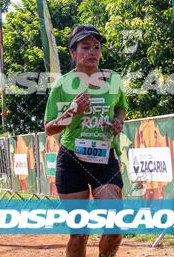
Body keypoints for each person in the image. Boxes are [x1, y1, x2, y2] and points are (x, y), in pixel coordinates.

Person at [44, 25, 128, 257]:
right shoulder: (63, 85)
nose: (92, 52)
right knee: (79, 233)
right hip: (71, 160)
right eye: (85, 47)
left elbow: (121, 107)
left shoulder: (114, 79)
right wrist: (73, 110)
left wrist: (118, 121)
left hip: (105, 158)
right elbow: (50, 129)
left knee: (114, 226)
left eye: (97, 47)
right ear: (73, 53)